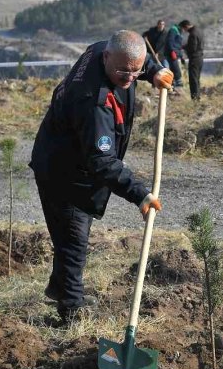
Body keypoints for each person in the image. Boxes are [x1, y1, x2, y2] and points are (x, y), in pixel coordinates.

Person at [30, 30, 174, 323]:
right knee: (74, 239)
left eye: (136, 72)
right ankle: (70, 313)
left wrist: (155, 71)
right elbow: (102, 161)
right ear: (107, 58)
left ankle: (61, 288)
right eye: (123, 71)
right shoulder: (93, 102)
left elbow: (133, 58)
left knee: (67, 237)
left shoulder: (105, 52)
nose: (129, 78)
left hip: (66, 157)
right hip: (65, 173)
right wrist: (140, 194)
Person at [179, 19, 204, 100]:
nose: (185, 31)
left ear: (186, 27)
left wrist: (185, 49)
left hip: (194, 59)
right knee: (197, 79)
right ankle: (198, 96)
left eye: (184, 29)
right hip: (200, 58)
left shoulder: (192, 34)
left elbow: (192, 48)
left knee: (193, 80)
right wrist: (184, 46)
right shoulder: (199, 31)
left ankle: (195, 99)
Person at [166, 21, 184, 89]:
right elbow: (170, 41)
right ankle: (177, 84)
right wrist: (172, 51)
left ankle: (174, 84)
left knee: (175, 68)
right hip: (172, 54)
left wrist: (181, 55)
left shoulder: (178, 32)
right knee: (175, 68)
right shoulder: (173, 30)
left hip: (176, 53)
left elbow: (178, 45)